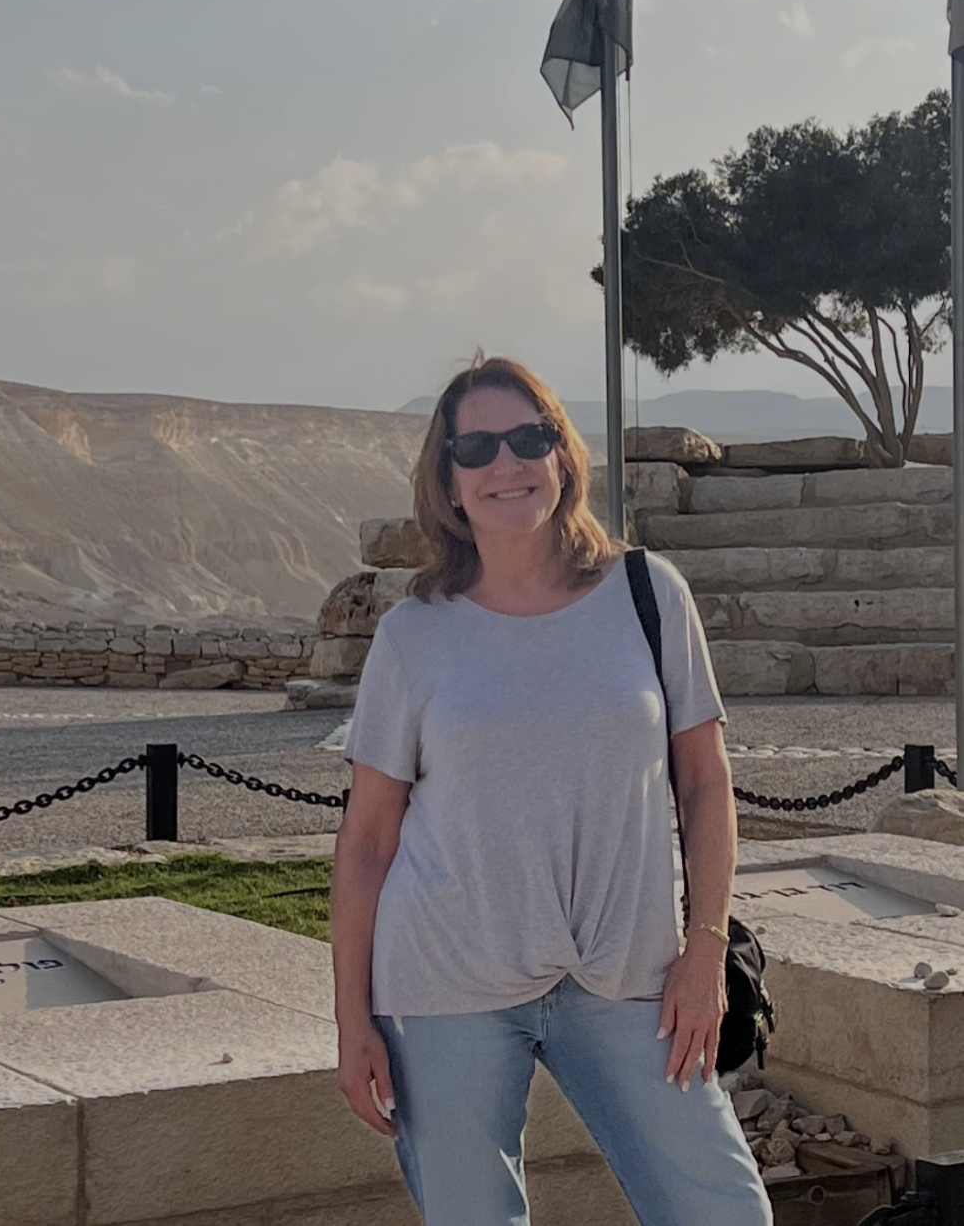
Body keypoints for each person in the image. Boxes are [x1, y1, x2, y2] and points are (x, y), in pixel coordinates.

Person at [330, 354, 771, 1226]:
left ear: (562, 453)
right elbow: (369, 840)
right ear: (448, 482)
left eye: (528, 438)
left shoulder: (647, 593)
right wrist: (352, 1020)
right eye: (476, 447)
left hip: (629, 973)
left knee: (723, 1212)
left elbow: (704, 782)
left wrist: (703, 950)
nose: (506, 463)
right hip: (445, 980)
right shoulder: (413, 634)